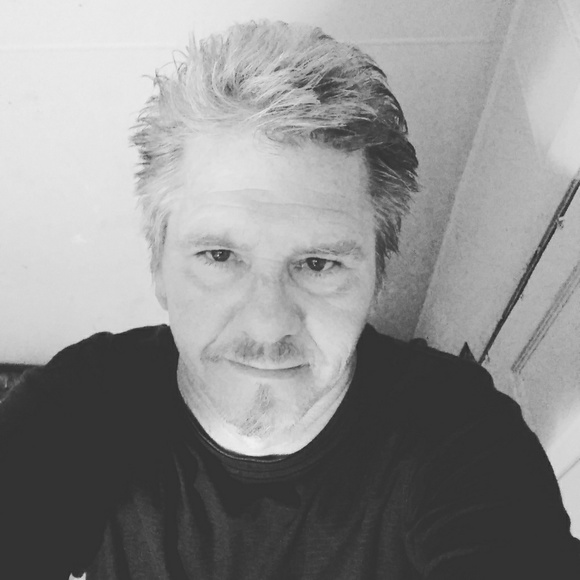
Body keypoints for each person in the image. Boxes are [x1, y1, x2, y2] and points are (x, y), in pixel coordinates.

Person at [1, 20, 579, 580]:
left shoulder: (459, 436)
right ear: (159, 266)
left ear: (377, 276)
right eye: (219, 256)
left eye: (318, 264)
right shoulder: (80, 407)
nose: (268, 323)